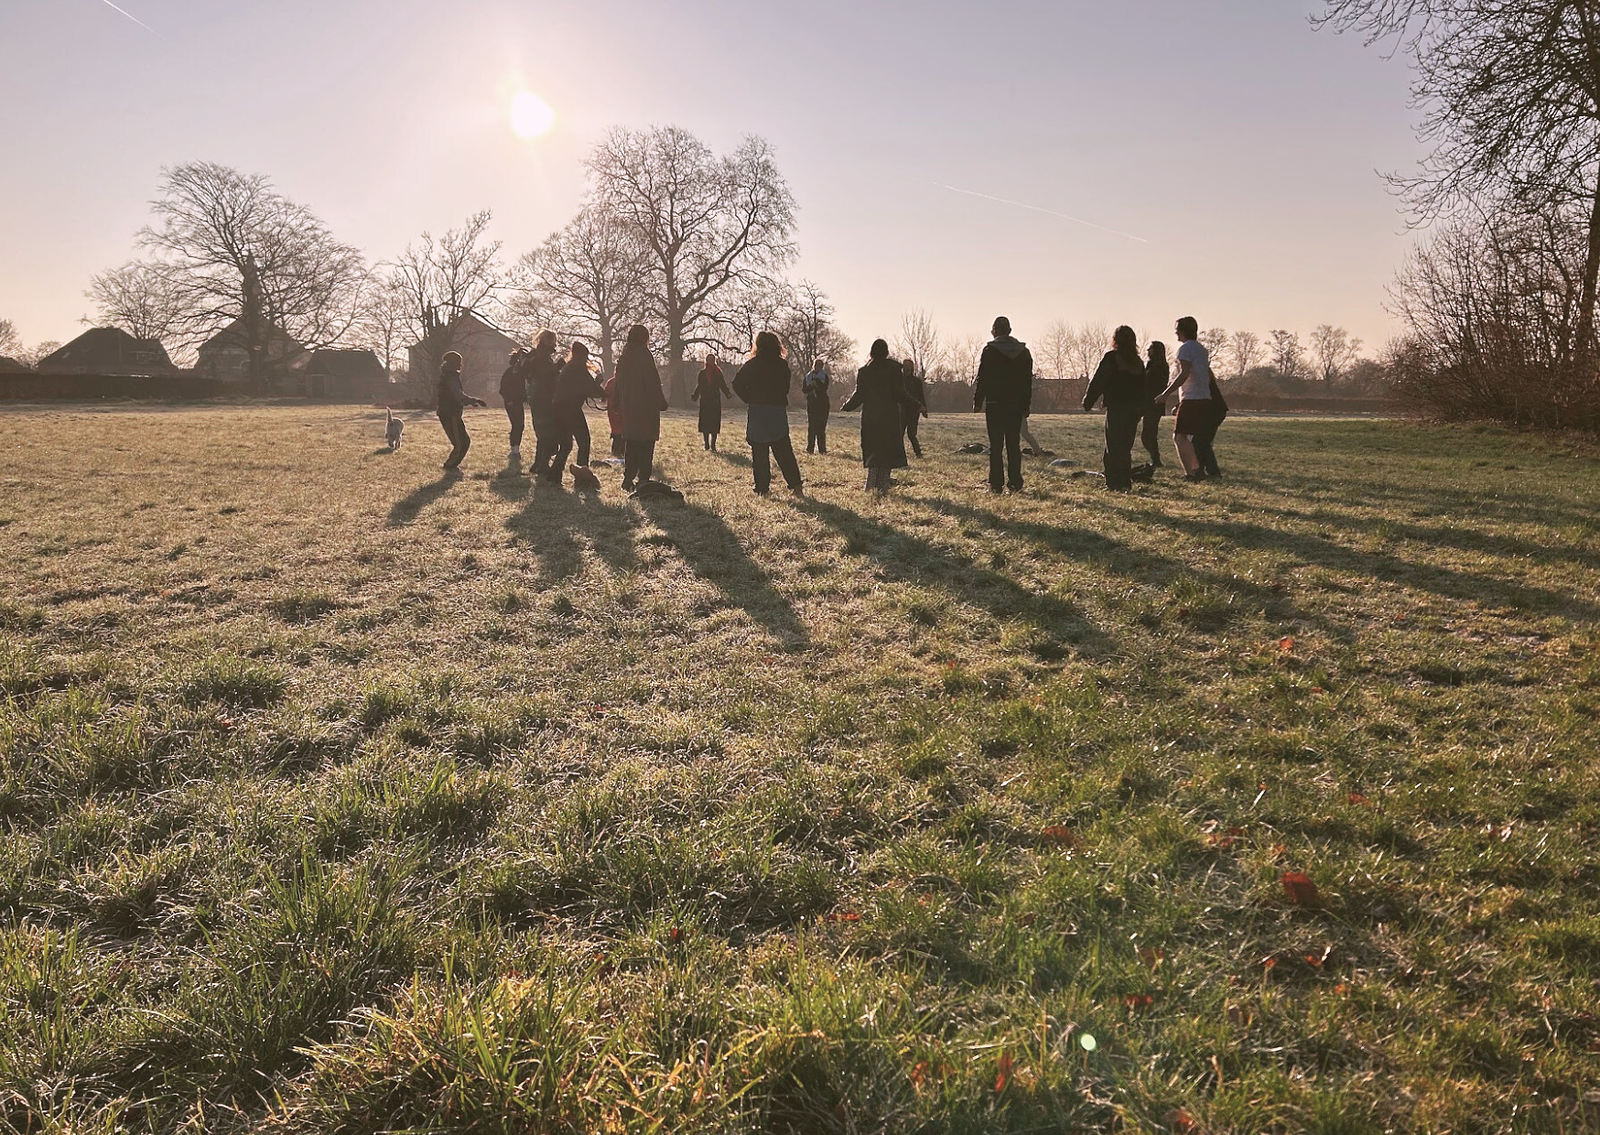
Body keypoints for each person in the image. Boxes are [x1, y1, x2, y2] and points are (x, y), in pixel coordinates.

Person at [841, 339, 921, 492]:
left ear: (872, 352)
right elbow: (900, 393)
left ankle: (871, 485)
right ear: (886, 352)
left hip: (871, 417)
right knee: (887, 452)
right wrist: (916, 405)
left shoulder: (865, 371)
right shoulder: (894, 370)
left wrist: (847, 406)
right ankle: (883, 485)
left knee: (873, 451)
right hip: (889, 416)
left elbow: (859, 395)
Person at [731, 331, 804, 495]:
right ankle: (796, 485)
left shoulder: (752, 364)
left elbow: (736, 383)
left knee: (759, 452)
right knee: (784, 450)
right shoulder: (781, 365)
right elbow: (785, 388)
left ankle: (762, 488)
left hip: (758, 410)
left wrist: (748, 397)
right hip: (776, 410)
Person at [1082, 326, 1148, 491]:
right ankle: (1125, 481)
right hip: (1134, 410)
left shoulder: (1112, 358)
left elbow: (1099, 380)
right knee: (1125, 447)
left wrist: (1089, 400)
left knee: (1113, 446)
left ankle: (1114, 483)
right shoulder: (1138, 363)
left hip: (1117, 407)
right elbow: (1143, 388)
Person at [973, 316, 1034, 493]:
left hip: (995, 403)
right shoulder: (1023, 352)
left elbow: (983, 378)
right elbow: (1027, 381)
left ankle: (996, 482)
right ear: (1010, 331)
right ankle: (1015, 481)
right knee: (1013, 445)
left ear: (995, 331)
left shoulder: (990, 351)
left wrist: (978, 401)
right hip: (1015, 404)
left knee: (996, 445)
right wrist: (1026, 405)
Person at [611, 324, 669, 492]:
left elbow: (617, 382)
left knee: (632, 444)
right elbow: (652, 382)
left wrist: (616, 402)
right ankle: (643, 479)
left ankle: (628, 478)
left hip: (629, 407)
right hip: (646, 407)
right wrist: (661, 402)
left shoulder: (624, 358)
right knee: (646, 445)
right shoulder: (645, 355)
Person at [1155, 316, 1213, 481]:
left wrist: (1166, 394)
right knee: (1191, 438)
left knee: (1179, 437)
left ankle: (1191, 473)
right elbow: (1205, 376)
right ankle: (1197, 470)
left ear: (1182, 331)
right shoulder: (1201, 350)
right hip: (1203, 398)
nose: (1175, 333)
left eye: (1177, 330)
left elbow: (1184, 373)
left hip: (1192, 399)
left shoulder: (1185, 349)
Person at [548, 341, 603, 485]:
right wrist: (601, 385)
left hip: (558, 408)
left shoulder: (568, 367)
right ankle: (582, 477)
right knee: (584, 442)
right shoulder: (578, 368)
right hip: (571, 409)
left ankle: (554, 476)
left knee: (566, 445)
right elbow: (591, 387)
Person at [436, 351, 486, 472]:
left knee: (465, 441)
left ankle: (452, 465)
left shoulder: (450, 376)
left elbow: (457, 395)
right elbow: (458, 395)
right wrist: (474, 400)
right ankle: (449, 466)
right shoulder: (450, 377)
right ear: (452, 363)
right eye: (459, 362)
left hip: (452, 413)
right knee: (460, 444)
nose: (461, 365)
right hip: (450, 414)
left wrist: (471, 402)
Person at [525, 330, 561, 477]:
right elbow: (546, 376)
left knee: (542, 433)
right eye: (553, 340)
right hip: (544, 399)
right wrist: (558, 367)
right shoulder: (542, 357)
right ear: (547, 341)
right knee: (549, 433)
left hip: (536, 398)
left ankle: (538, 463)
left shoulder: (535, 355)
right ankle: (543, 464)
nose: (555, 344)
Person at [692, 353, 732, 451]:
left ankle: (713, 445)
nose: (710, 362)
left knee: (713, 423)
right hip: (706, 401)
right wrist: (695, 395)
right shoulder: (703, 373)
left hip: (714, 401)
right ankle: (707, 444)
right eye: (709, 360)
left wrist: (727, 394)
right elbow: (700, 386)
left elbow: (722, 385)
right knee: (706, 423)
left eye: (711, 360)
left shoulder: (718, 373)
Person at [1193, 373, 1228, 477]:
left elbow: (1198, 395)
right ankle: (1206, 470)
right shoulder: (1203, 375)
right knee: (1202, 442)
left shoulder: (1201, 377)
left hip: (1212, 411)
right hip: (1215, 410)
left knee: (1199, 441)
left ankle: (1208, 471)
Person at [1142, 341, 1170, 467]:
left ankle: (1156, 459)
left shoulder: (1160, 367)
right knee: (1149, 433)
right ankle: (1155, 458)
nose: (1148, 351)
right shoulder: (1152, 365)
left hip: (1153, 403)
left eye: (1150, 349)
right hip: (1149, 403)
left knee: (1149, 434)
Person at [499, 348, 528, 462]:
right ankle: (514, 450)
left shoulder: (520, 372)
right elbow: (503, 389)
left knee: (519, 425)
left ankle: (515, 449)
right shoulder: (510, 372)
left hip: (517, 401)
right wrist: (509, 399)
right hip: (511, 402)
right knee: (517, 425)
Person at [900, 357, 929, 458]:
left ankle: (918, 453)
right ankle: (900, 454)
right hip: (901, 411)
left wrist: (924, 409)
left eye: (908, 367)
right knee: (899, 434)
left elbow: (921, 396)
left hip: (913, 411)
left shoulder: (916, 382)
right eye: (905, 367)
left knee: (911, 434)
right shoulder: (899, 380)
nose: (907, 369)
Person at [802, 359, 832, 454]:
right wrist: (811, 386)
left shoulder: (824, 377)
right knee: (811, 427)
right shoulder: (808, 377)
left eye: (819, 366)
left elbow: (824, 388)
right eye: (815, 366)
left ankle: (822, 449)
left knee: (821, 427)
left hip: (822, 404)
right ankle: (810, 448)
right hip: (812, 404)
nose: (816, 368)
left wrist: (817, 383)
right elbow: (804, 390)